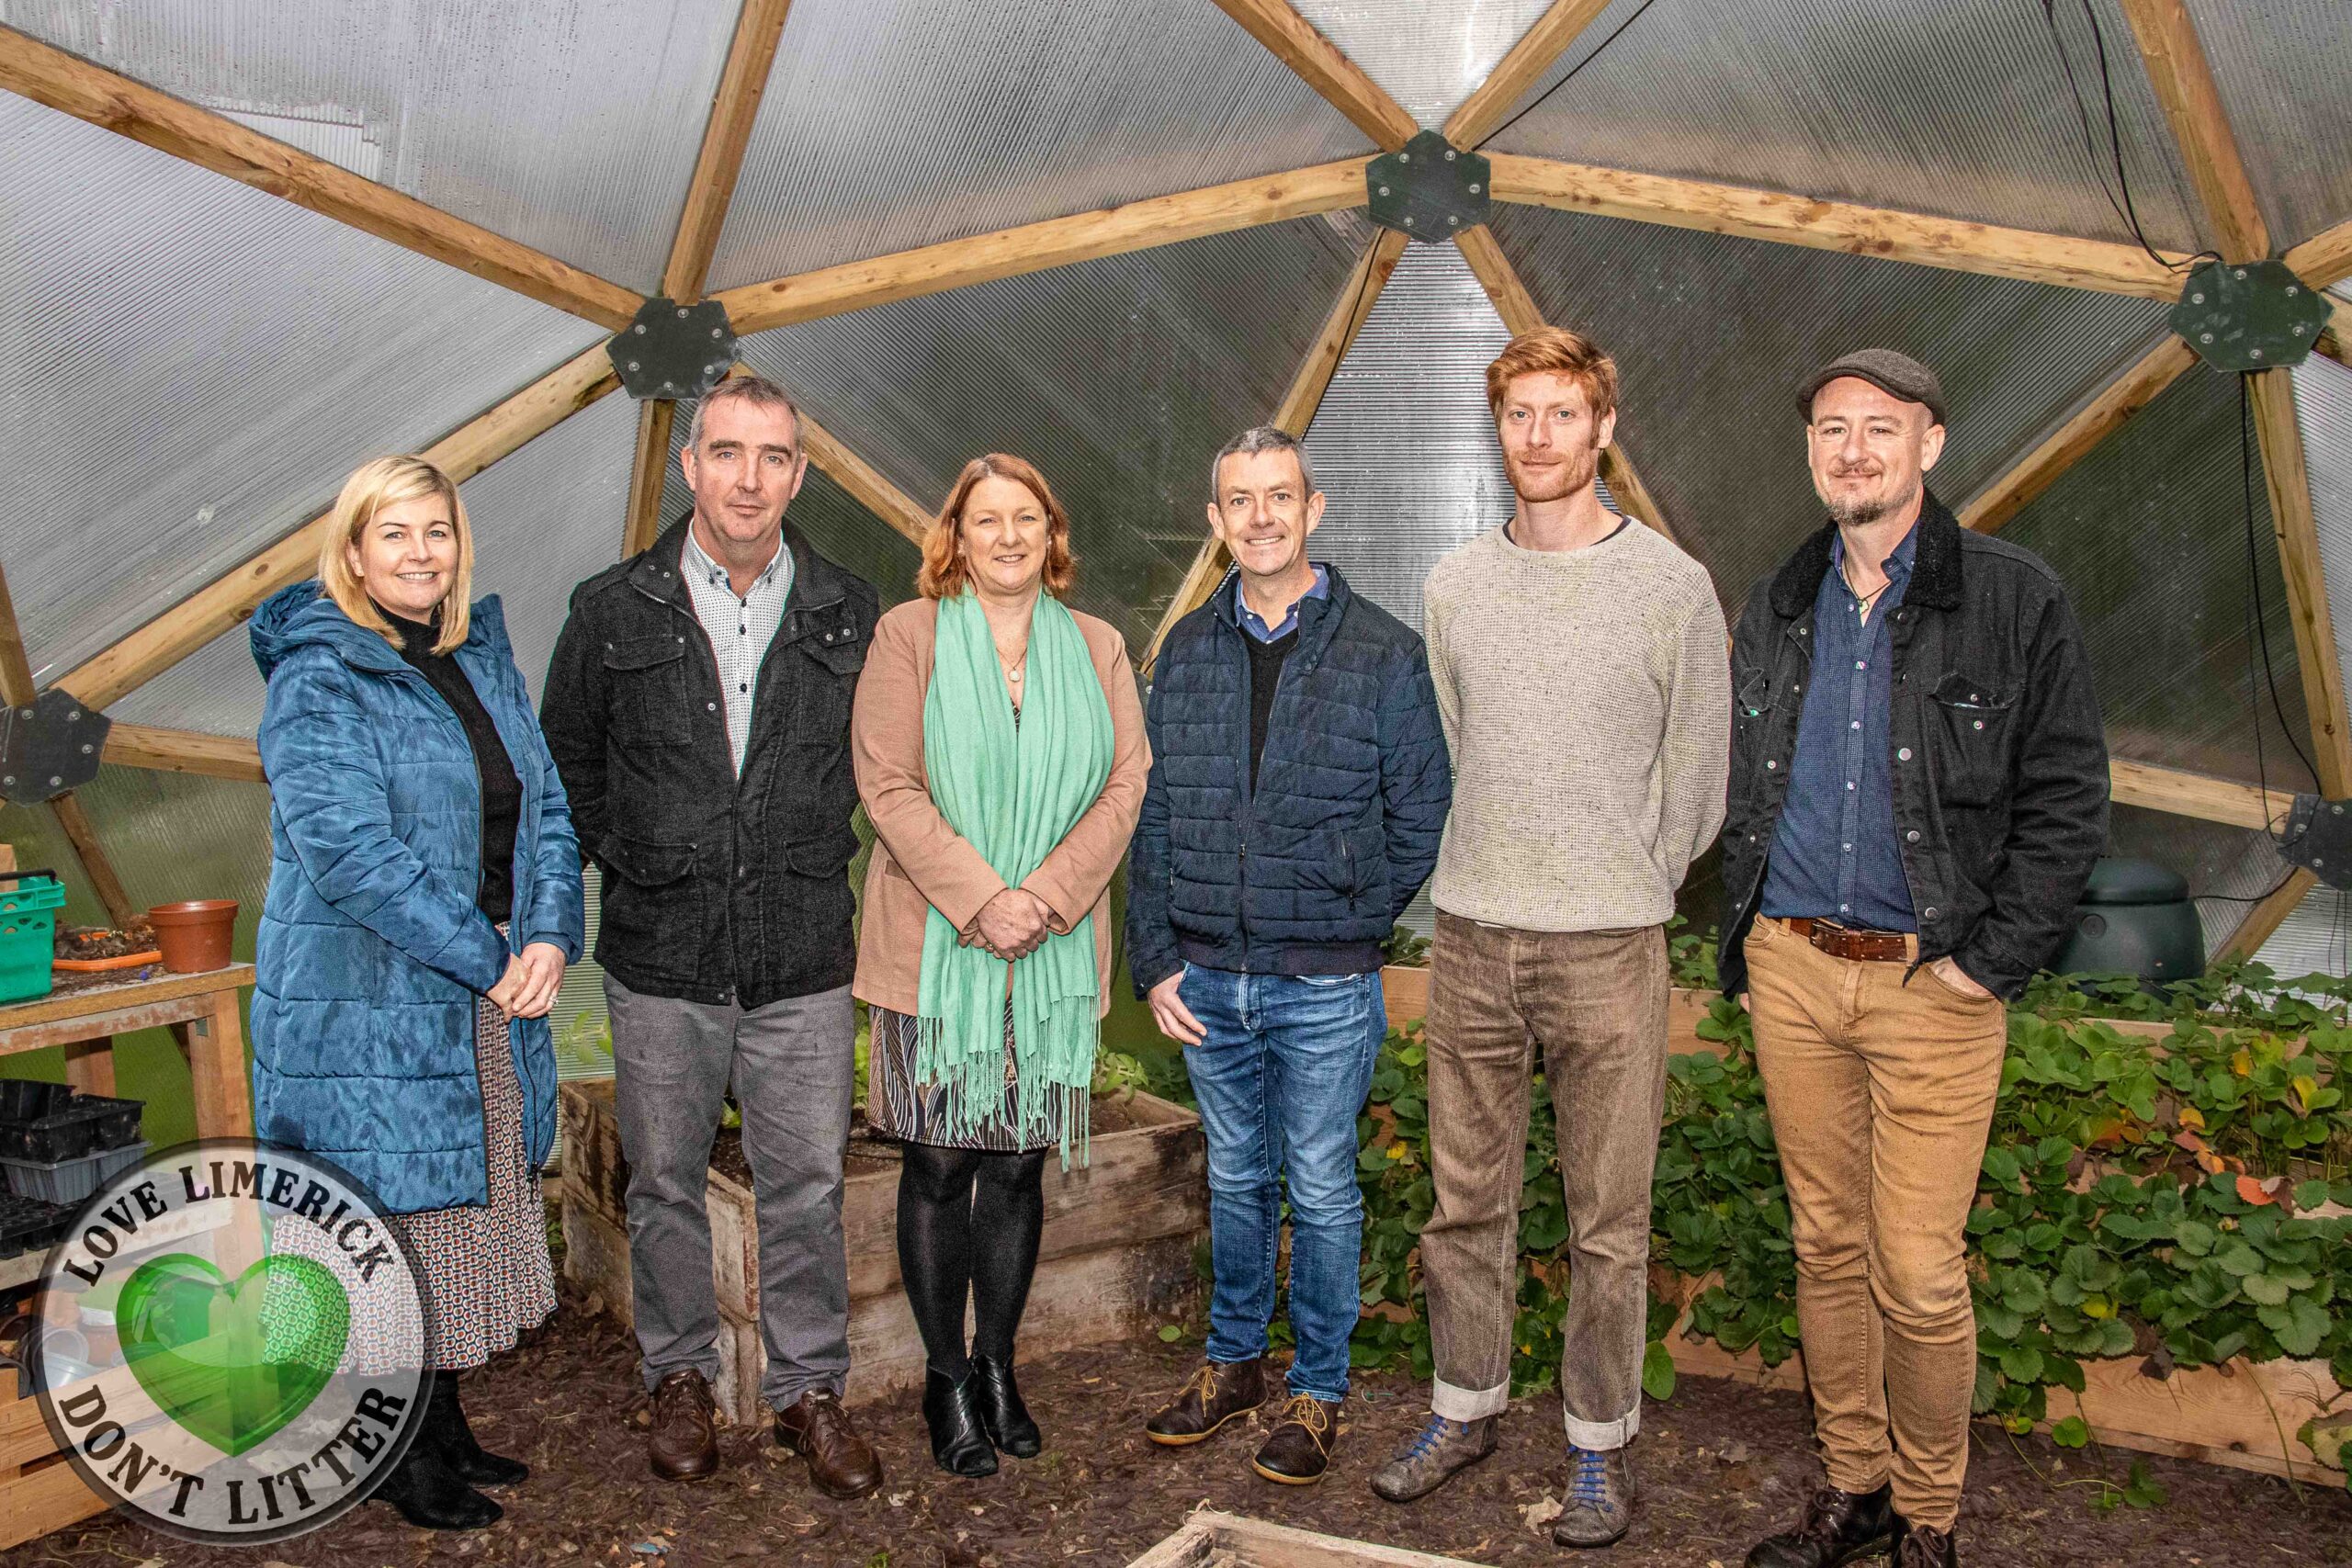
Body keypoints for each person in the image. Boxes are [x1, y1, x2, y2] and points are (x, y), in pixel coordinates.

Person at [1730, 353, 2106, 1568]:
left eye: (1878, 428)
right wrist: (1737, 924)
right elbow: (1738, 777)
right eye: (1831, 428)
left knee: (1918, 1267)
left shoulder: (2011, 594)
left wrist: (1987, 963)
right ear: (1811, 453)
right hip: (1792, 964)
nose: (1851, 449)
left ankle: (1932, 1519)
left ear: (1930, 444)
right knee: (1826, 1242)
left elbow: (2067, 796)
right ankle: (1857, 1488)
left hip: (1930, 980)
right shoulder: (1780, 600)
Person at [1373, 327, 1728, 1547]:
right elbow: (1458, 747)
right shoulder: (1456, 582)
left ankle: (1595, 1444)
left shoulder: (1673, 587)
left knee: (1607, 1218)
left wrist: (1623, 879)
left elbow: (1698, 782)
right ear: (1500, 429)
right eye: (1518, 412)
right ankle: (1463, 1406)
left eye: (1562, 412)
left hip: (1612, 948)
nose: (1539, 435)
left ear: (1603, 426)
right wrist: (1510, 863)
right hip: (1473, 936)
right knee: (1463, 1204)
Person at [541, 375, 884, 1497]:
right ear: (690, 466)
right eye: (727, 454)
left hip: (799, 956)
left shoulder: (847, 606)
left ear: (797, 473)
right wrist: (638, 858)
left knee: (805, 1184)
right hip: (662, 958)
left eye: (772, 456)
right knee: (664, 1182)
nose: (749, 478)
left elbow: (878, 767)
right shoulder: (612, 609)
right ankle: (680, 1375)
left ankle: (807, 1392)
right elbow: (568, 770)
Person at [250, 455, 584, 1531]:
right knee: (389, 1223)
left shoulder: (477, 655)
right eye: (393, 534)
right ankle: (390, 1454)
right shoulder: (318, 674)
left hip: (478, 980)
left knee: (451, 1215)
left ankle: (439, 1428)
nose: (419, 553)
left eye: (435, 531)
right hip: (367, 998)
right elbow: (348, 853)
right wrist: (487, 959)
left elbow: (544, 811)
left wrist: (546, 933)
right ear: (351, 552)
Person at [1129, 425, 1450, 1487]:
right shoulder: (1186, 649)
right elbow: (1157, 812)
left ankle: (1318, 1388)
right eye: (1239, 501)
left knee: (1318, 1187)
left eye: (1280, 497)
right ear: (1216, 523)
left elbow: (1421, 810)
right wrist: (1156, 959)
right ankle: (1232, 1368)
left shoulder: (1382, 649)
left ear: (1312, 510)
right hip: (1208, 976)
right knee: (1234, 1180)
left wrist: (1353, 913)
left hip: (1324, 981)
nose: (1260, 516)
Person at [850, 454, 1148, 1477]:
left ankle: (997, 1365)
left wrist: (1046, 900)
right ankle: (944, 1379)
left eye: (1027, 517)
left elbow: (1125, 783)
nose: (1009, 536)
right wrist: (985, 900)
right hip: (935, 952)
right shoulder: (911, 636)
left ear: (1051, 532)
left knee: (1017, 1167)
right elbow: (887, 787)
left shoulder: (1099, 646)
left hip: (1053, 957)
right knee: (936, 1165)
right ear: (957, 537)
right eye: (988, 520)